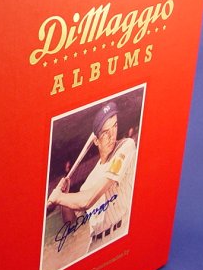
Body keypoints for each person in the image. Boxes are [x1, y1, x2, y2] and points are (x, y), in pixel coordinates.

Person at [47, 101, 137, 251]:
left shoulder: (126, 146)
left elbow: (88, 200)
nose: (112, 136)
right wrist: (65, 197)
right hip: (95, 244)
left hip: (121, 231)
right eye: (105, 132)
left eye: (114, 126)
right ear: (96, 141)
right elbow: (71, 222)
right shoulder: (89, 182)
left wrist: (58, 198)